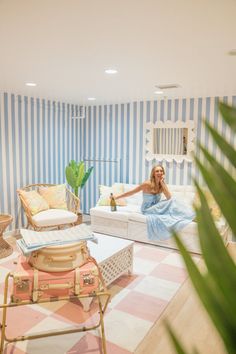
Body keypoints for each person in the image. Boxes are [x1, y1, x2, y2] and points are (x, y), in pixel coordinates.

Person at [114, 165, 195, 241]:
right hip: (147, 210)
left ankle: (189, 215)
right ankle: (191, 215)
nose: (159, 173)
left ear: (163, 173)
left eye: (161, 171)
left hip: (156, 208)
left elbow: (169, 197)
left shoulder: (161, 184)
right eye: (157, 171)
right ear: (153, 173)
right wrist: (116, 197)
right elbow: (132, 192)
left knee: (172, 201)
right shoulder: (147, 184)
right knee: (172, 202)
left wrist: (162, 182)